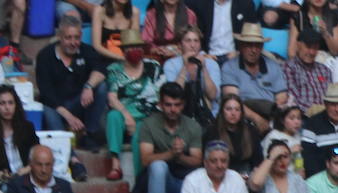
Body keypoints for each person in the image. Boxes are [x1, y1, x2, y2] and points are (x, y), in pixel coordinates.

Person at [35, 19, 109, 147]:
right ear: (59, 37)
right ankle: (66, 150)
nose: (73, 42)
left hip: (79, 102)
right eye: (68, 38)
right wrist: (69, 117)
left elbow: (101, 70)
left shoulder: (86, 51)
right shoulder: (45, 56)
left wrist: (89, 86)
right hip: (55, 106)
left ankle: (90, 135)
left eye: (76, 38)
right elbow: (46, 92)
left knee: (101, 87)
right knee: (48, 111)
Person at [105, 30, 162, 181]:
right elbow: (112, 97)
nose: (135, 51)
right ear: (123, 51)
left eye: (138, 47)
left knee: (140, 135)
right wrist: (127, 117)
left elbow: (161, 93)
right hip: (125, 113)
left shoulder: (154, 67)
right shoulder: (114, 69)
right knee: (113, 116)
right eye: (130, 47)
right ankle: (115, 165)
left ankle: (139, 181)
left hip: (148, 116)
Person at [219, 23, 288, 131]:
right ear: (241, 45)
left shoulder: (273, 66)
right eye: (249, 45)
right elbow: (231, 100)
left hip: (270, 115)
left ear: (262, 47)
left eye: (257, 45)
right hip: (242, 119)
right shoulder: (230, 67)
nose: (253, 50)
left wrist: (271, 120)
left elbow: (282, 97)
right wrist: (257, 119)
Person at [163, 26, 222, 122]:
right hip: (180, 116)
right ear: (180, 45)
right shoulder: (170, 64)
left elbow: (213, 96)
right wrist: (185, 67)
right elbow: (173, 95)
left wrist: (204, 68)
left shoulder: (212, 64)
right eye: (188, 41)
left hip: (209, 116)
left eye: (196, 41)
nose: (193, 45)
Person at [205, 93, 264, 174]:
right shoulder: (212, 131)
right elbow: (208, 161)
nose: (233, 113)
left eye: (237, 109)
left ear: (241, 113)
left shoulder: (251, 130)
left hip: (248, 174)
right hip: (221, 174)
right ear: (222, 111)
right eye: (229, 109)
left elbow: (258, 161)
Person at [281, 27, 332, 114]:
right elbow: (294, 99)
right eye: (308, 47)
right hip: (302, 117)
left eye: (315, 48)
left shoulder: (324, 70)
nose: (312, 52)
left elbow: (331, 96)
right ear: (298, 45)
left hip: (326, 116)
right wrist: (317, 111)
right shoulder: (289, 68)